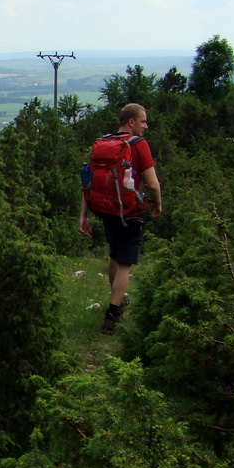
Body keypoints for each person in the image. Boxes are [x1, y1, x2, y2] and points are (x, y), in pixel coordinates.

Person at [79, 103, 162, 334]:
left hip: (107, 210)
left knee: (114, 254)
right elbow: (153, 183)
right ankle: (112, 316)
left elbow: (89, 182)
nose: (146, 126)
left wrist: (83, 216)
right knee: (125, 263)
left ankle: (117, 299)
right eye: (143, 121)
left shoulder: (104, 143)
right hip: (131, 213)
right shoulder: (138, 145)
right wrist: (158, 203)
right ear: (131, 122)